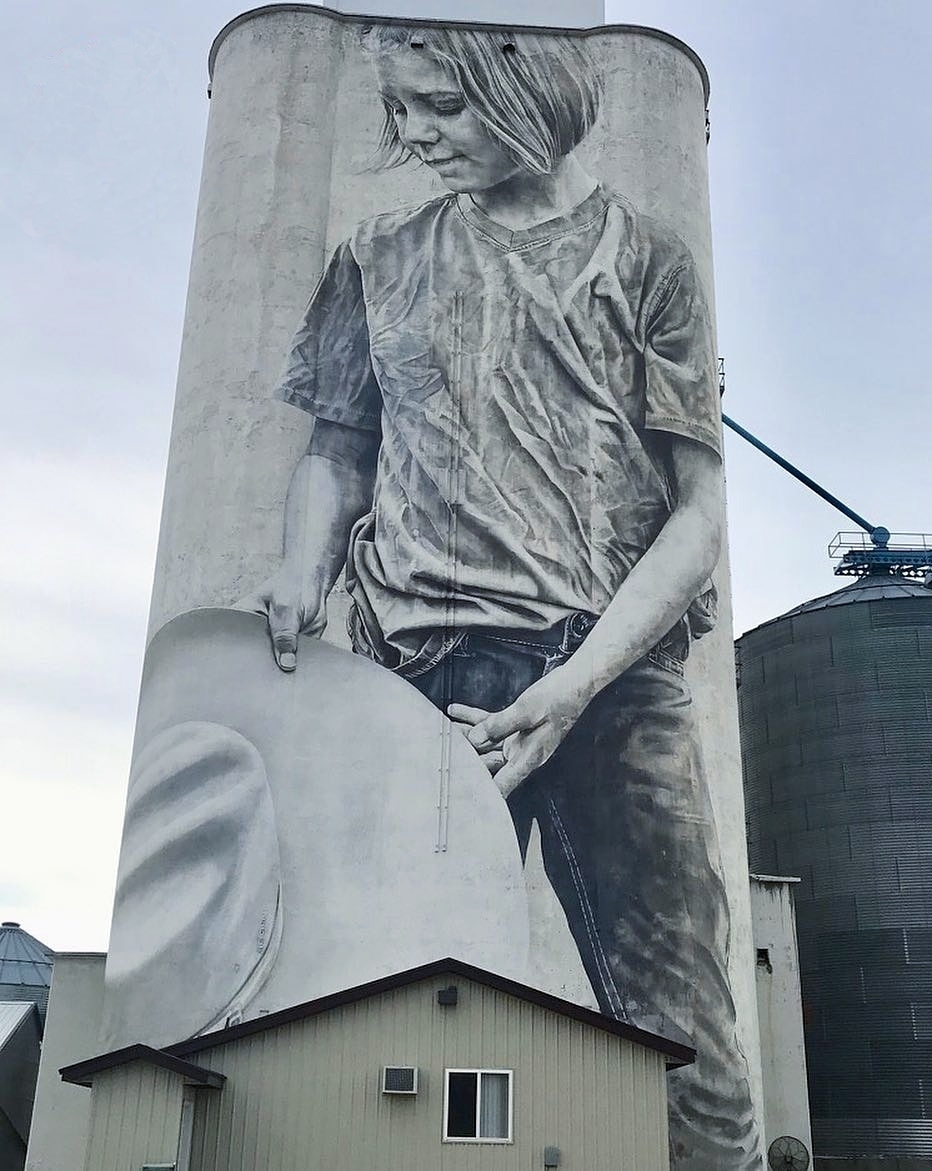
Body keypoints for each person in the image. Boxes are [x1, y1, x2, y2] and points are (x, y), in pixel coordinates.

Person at [245, 24, 760, 1169]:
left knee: (685, 1022)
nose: (416, 134)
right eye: (401, 109)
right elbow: (336, 450)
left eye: (443, 106)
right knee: (372, 999)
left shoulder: (645, 258)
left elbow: (698, 515)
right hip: (418, 678)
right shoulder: (377, 254)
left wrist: (574, 687)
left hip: (614, 682)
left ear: (524, 94)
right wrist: (299, 568)